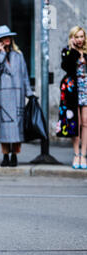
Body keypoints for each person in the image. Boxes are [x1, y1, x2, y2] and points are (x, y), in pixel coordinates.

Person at [0, 25, 34, 167]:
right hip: (3, 96)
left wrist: (29, 93)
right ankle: (5, 155)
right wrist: (2, 53)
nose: (7, 39)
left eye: (8, 37)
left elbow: (25, 75)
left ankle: (14, 155)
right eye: (3, 38)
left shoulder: (18, 55)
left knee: (17, 127)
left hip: (17, 94)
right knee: (4, 128)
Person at [58, 26, 87, 169]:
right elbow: (66, 67)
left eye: (82, 36)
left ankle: (83, 155)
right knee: (75, 122)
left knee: (85, 124)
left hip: (86, 89)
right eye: (77, 37)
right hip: (73, 91)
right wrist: (73, 50)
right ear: (72, 38)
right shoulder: (67, 51)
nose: (80, 39)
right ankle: (76, 155)